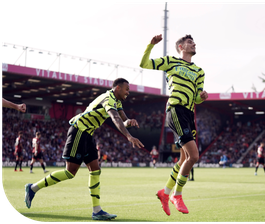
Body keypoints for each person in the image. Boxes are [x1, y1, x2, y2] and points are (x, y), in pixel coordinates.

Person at [24, 78, 144, 220]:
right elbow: (115, 119)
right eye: (126, 89)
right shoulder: (108, 99)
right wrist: (129, 137)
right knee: (70, 172)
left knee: (95, 170)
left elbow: (122, 119)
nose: (128, 92)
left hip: (88, 133)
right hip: (79, 131)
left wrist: (129, 122)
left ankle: (97, 211)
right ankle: (32, 188)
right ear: (118, 88)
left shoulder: (116, 101)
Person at [140, 34, 208, 215]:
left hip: (188, 113)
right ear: (180, 47)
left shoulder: (199, 71)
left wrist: (201, 98)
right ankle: (177, 194)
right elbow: (144, 64)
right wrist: (150, 45)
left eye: (194, 42)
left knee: (185, 159)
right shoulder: (171, 62)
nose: (194, 44)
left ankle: (165, 192)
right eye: (189, 42)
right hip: (175, 109)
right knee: (194, 156)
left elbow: (195, 98)